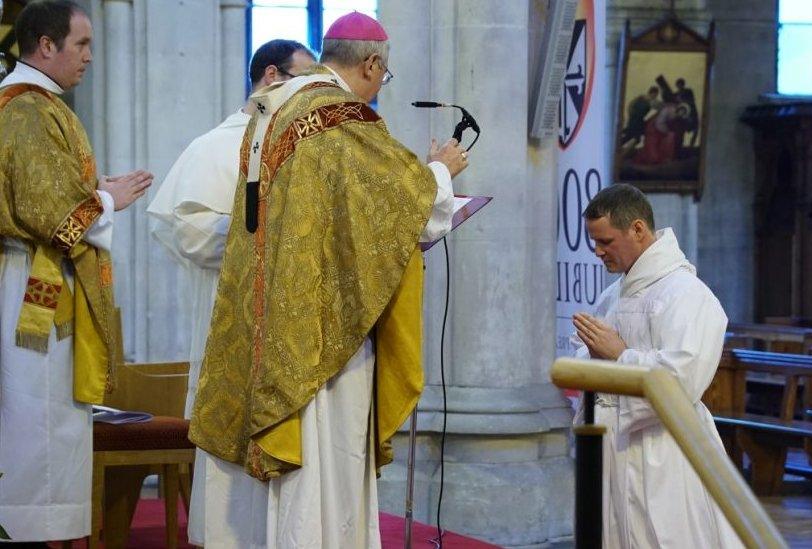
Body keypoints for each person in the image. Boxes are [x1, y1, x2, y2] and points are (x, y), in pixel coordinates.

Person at [188, 11, 469, 548]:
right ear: (369, 64)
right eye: (383, 77)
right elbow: (404, 203)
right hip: (322, 333)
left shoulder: (274, 110)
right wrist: (443, 172)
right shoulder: (343, 117)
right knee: (324, 464)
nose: (380, 89)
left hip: (271, 315)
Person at [146, 38, 315, 547]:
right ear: (271, 77)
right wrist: (264, 232)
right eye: (304, 81)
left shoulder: (304, 144)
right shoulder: (215, 146)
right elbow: (191, 234)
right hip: (232, 325)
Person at [0, 1, 152, 544]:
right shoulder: (27, 110)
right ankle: (32, 534)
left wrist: (96, 194)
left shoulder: (34, 105)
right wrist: (106, 200)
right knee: (37, 419)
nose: (90, 56)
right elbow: (51, 212)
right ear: (46, 45)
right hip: (30, 291)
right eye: (81, 44)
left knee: (46, 418)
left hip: (28, 277)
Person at [572, 184, 742, 548]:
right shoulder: (614, 295)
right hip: (615, 446)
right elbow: (586, 358)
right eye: (594, 242)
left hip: (665, 449)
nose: (598, 252)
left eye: (605, 241)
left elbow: (684, 378)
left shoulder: (687, 294)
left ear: (637, 229)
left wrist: (619, 355)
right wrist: (588, 361)